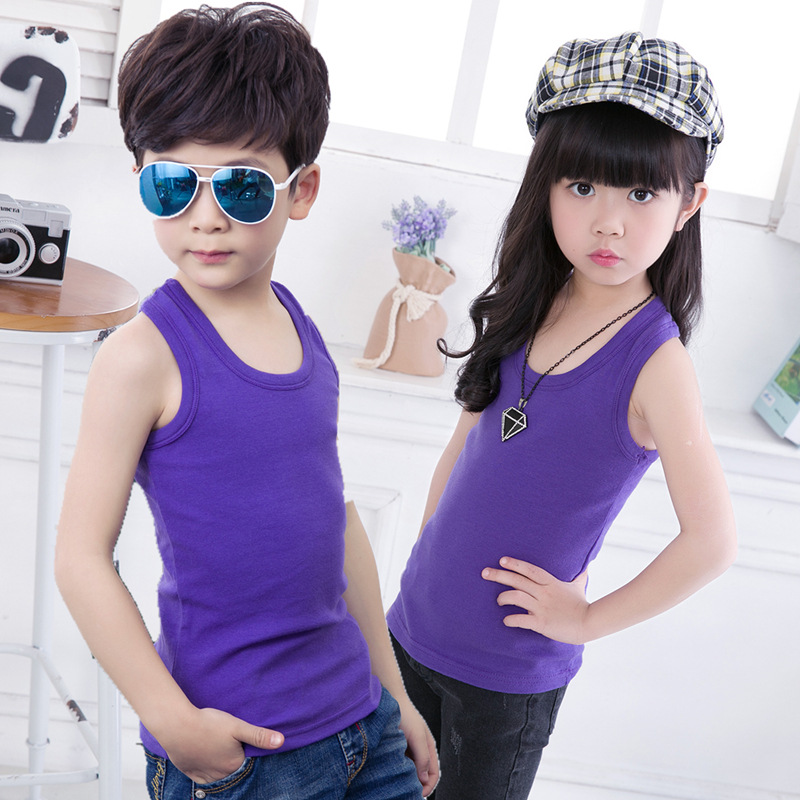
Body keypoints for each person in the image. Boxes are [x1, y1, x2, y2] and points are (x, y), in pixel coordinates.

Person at [54, 4, 437, 798]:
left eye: (241, 185)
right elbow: (80, 558)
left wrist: (395, 694)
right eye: (172, 184)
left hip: (361, 723)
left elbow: (337, 521)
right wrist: (174, 721)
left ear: (302, 190)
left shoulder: (303, 329)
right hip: (246, 754)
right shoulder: (142, 357)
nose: (206, 217)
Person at [387, 31, 737, 800]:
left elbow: (712, 541)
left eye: (640, 194)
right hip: (411, 628)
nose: (608, 222)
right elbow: (467, 442)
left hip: (505, 680)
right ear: (544, 186)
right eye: (581, 186)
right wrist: (427, 554)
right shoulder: (530, 300)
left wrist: (584, 621)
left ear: (689, 204)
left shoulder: (656, 363)